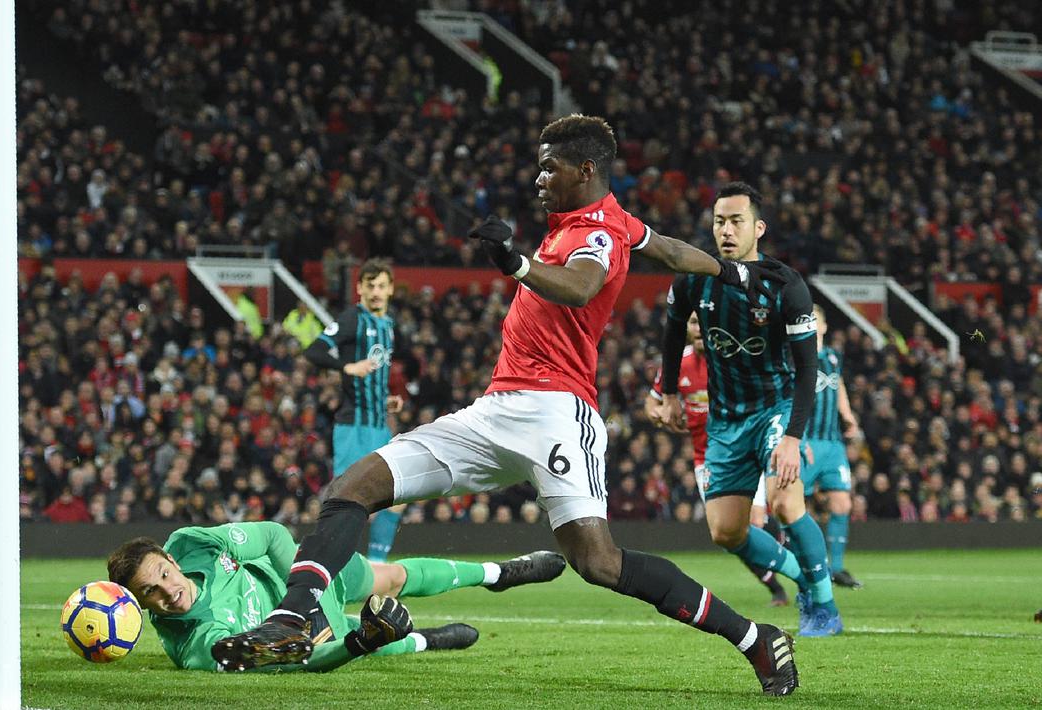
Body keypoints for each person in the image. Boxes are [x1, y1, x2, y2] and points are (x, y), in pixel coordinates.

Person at [214, 115, 798, 696]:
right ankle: (293, 619)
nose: (538, 176)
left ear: (586, 169)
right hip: (496, 408)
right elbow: (668, 249)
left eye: (551, 166)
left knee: (598, 563)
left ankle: (755, 637)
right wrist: (729, 268)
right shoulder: (609, 222)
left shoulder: (596, 232)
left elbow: (580, 286)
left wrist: (514, 262)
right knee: (350, 488)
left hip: (557, 413)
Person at [653, 182, 843, 638]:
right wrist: (671, 395)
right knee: (726, 533)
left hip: (775, 410)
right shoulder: (693, 279)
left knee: (782, 502)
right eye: (719, 221)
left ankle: (824, 608)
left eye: (736, 220)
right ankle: (806, 575)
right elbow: (673, 330)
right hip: (726, 421)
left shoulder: (785, 286)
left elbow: (806, 368)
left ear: (758, 228)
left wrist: (793, 438)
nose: (726, 229)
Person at [106, 521, 566, 672]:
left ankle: (499, 573)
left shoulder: (192, 543)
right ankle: (429, 639)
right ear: (139, 606)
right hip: (314, 632)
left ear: (170, 557)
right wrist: (356, 644)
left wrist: (306, 592)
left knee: (390, 577)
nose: (171, 591)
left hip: (306, 579)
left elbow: (271, 536)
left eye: (165, 574)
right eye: (153, 593)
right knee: (377, 634)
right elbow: (299, 661)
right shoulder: (198, 645)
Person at [646, 313, 790, 606]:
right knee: (727, 534)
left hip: (745, 452)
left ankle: (797, 564)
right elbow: (652, 401)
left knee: (757, 519)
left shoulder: (732, 358)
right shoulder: (677, 365)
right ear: (686, 330)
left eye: (702, 322)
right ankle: (777, 585)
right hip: (706, 459)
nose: (698, 329)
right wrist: (659, 413)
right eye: (692, 323)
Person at [304, 259, 412, 562]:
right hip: (353, 427)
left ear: (390, 289)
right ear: (359, 288)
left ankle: (376, 565)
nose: (375, 292)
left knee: (397, 497)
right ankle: (325, 563)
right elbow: (314, 351)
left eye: (381, 286)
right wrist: (346, 366)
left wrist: (386, 400)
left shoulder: (388, 326)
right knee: (348, 502)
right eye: (369, 286)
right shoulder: (353, 319)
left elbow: (375, 375)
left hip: (379, 425)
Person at [800, 304, 863, 589]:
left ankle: (836, 567)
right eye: (807, 321)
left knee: (842, 502)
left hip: (833, 443)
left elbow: (839, 388)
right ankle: (806, 567)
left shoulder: (834, 358)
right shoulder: (796, 356)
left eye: (815, 321)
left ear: (823, 327)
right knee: (793, 506)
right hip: (805, 441)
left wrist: (848, 416)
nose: (812, 326)